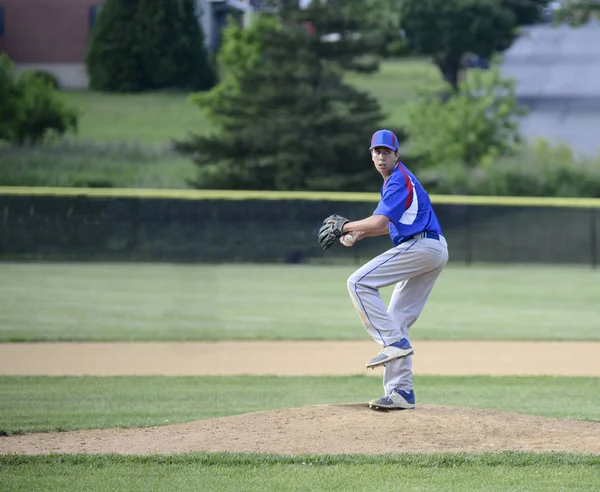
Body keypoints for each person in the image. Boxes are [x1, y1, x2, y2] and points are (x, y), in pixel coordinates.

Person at [338, 129, 449, 411]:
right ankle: (401, 392)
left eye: (387, 152)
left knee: (358, 282)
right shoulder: (397, 180)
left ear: (396, 155)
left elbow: (378, 222)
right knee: (397, 317)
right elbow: (388, 224)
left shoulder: (398, 180)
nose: (381, 156)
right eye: (377, 151)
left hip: (422, 247)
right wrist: (360, 234)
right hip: (431, 248)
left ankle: (391, 342)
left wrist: (347, 226)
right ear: (372, 155)